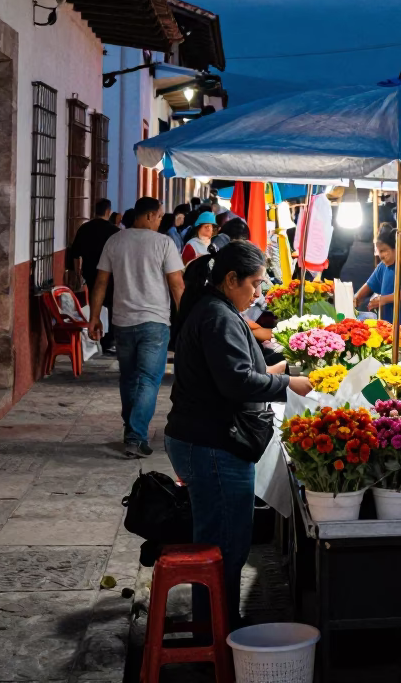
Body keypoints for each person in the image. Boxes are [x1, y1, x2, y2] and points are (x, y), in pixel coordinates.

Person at [166, 242, 313, 628]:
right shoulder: (217, 315)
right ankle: (216, 632)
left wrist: (277, 368)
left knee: (222, 541)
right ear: (230, 280)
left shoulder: (218, 309)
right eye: (254, 284)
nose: (258, 294)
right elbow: (235, 381)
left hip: (205, 438)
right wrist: (287, 383)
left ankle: (215, 622)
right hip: (211, 444)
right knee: (224, 546)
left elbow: (237, 366)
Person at [88, 196, 184, 458]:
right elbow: (177, 285)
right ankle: (135, 435)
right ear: (150, 216)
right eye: (161, 216)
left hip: (122, 322)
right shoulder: (164, 243)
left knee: (129, 378)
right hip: (154, 323)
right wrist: (186, 319)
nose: (161, 221)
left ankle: (131, 430)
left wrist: (94, 316)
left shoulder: (115, 241)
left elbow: (100, 283)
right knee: (149, 380)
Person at [354, 228, 401, 353]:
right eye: (379, 251)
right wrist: (355, 299)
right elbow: (369, 285)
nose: (380, 255)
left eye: (384, 250)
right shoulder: (383, 267)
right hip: (388, 332)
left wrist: (383, 300)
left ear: (396, 248)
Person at [67, 198, 119, 352]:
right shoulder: (114, 231)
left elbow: (75, 254)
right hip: (110, 275)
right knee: (112, 305)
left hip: (90, 273)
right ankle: (110, 339)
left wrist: (78, 274)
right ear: (108, 212)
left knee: (95, 304)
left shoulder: (84, 228)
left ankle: (95, 331)